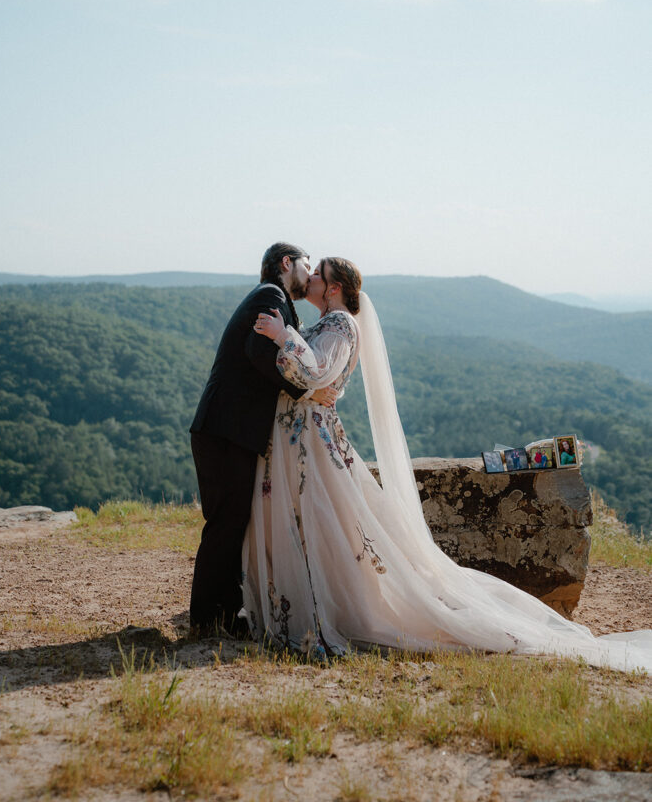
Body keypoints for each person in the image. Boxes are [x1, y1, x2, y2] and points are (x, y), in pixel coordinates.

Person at [243, 257, 652, 673]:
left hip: (313, 440)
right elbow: (310, 380)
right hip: (302, 437)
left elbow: (316, 372)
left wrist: (283, 336)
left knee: (322, 520)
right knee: (317, 522)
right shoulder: (329, 322)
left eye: (317, 275)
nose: (309, 279)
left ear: (333, 288)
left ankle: (327, 612)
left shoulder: (342, 324)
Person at [188, 241, 335, 635]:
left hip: (229, 429)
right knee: (225, 523)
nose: (311, 271)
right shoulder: (271, 295)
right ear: (287, 263)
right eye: (308, 263)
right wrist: (306, 392)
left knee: (233, 522)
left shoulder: (275, 300)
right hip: (224, 429)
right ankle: (206, 619)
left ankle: (224, 612)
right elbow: (258, 349)